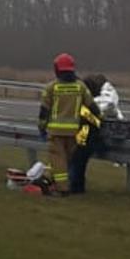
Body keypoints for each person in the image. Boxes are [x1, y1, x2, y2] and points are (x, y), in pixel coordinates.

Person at [38, 53, 90, 194]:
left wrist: (42, 127)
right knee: (67, 160)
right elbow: (91, 107)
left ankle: (62, 189)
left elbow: (44, 111)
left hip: (56, 132)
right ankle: (49, 179)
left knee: (58, 160)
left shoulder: (51, 87)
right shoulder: (81, 87)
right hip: (75, 132)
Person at [69, 73, 110, 194]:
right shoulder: (88, 104)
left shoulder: (81, 100)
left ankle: (75, 186)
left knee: (77, 161)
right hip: (84, 133)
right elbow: (96, 121)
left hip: (81, 132)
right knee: (78, 161)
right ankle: (76, 187)